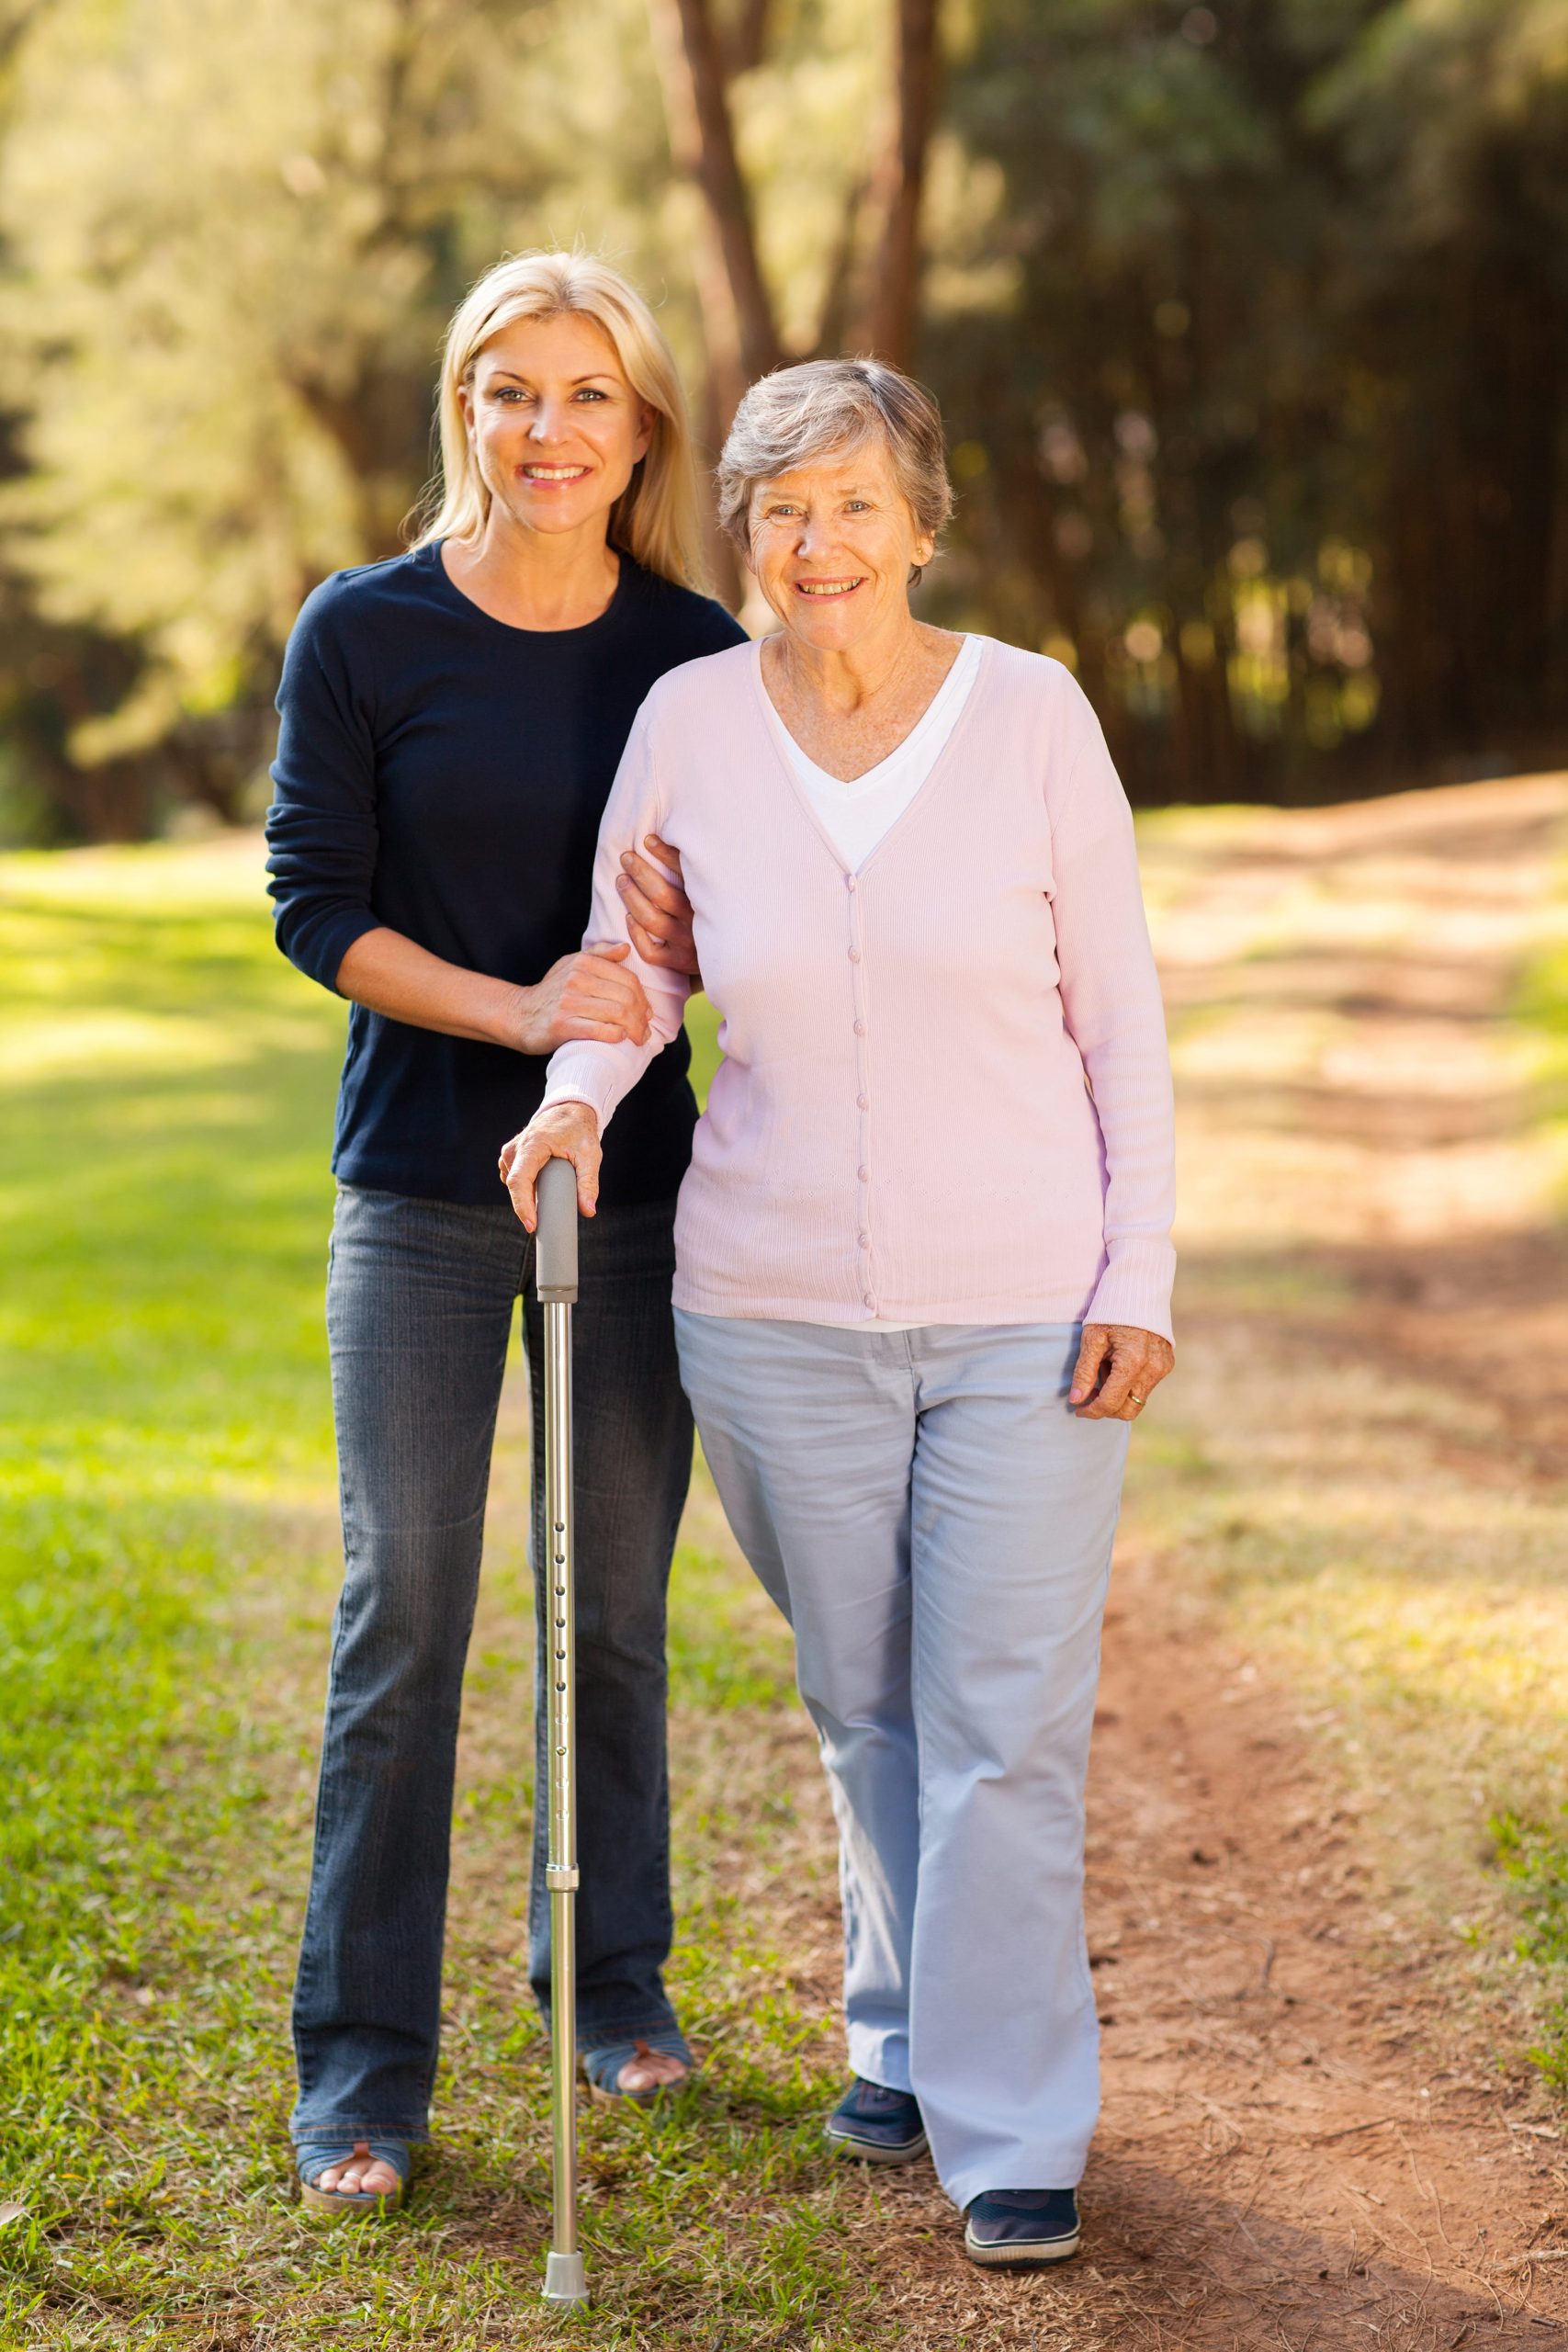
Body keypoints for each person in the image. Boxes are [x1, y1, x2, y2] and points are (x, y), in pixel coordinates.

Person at [500, 357, 1177, 2269]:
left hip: (1023, 1308)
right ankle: (896, 2027)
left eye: (856, 503)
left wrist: (1140, 1270)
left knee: (999, 1720)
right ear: (742, 526)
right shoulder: (689, 720)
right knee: (863, 1691)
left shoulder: (1030, 715)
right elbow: (633, 970)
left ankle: (1006, 2122)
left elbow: (1117, 1020)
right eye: (782, 507)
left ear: (922, 521)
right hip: (770, 1302)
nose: (818, 543)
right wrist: (569, 1098)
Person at [264, 251, 745, 2216]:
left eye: (587, 395)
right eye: (510, 388)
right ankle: (363, 2075)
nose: (546, 429)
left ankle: (609, 1981)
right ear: (462, 404)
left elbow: (738, 909)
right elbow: (316, 904)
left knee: (613, 1610)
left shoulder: (697, 651)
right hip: (419, 1192)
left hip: (633, 1203)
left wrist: (635, 1001)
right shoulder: (360, 632)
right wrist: (522, 1006)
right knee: (404, 1621)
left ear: (639, 431)